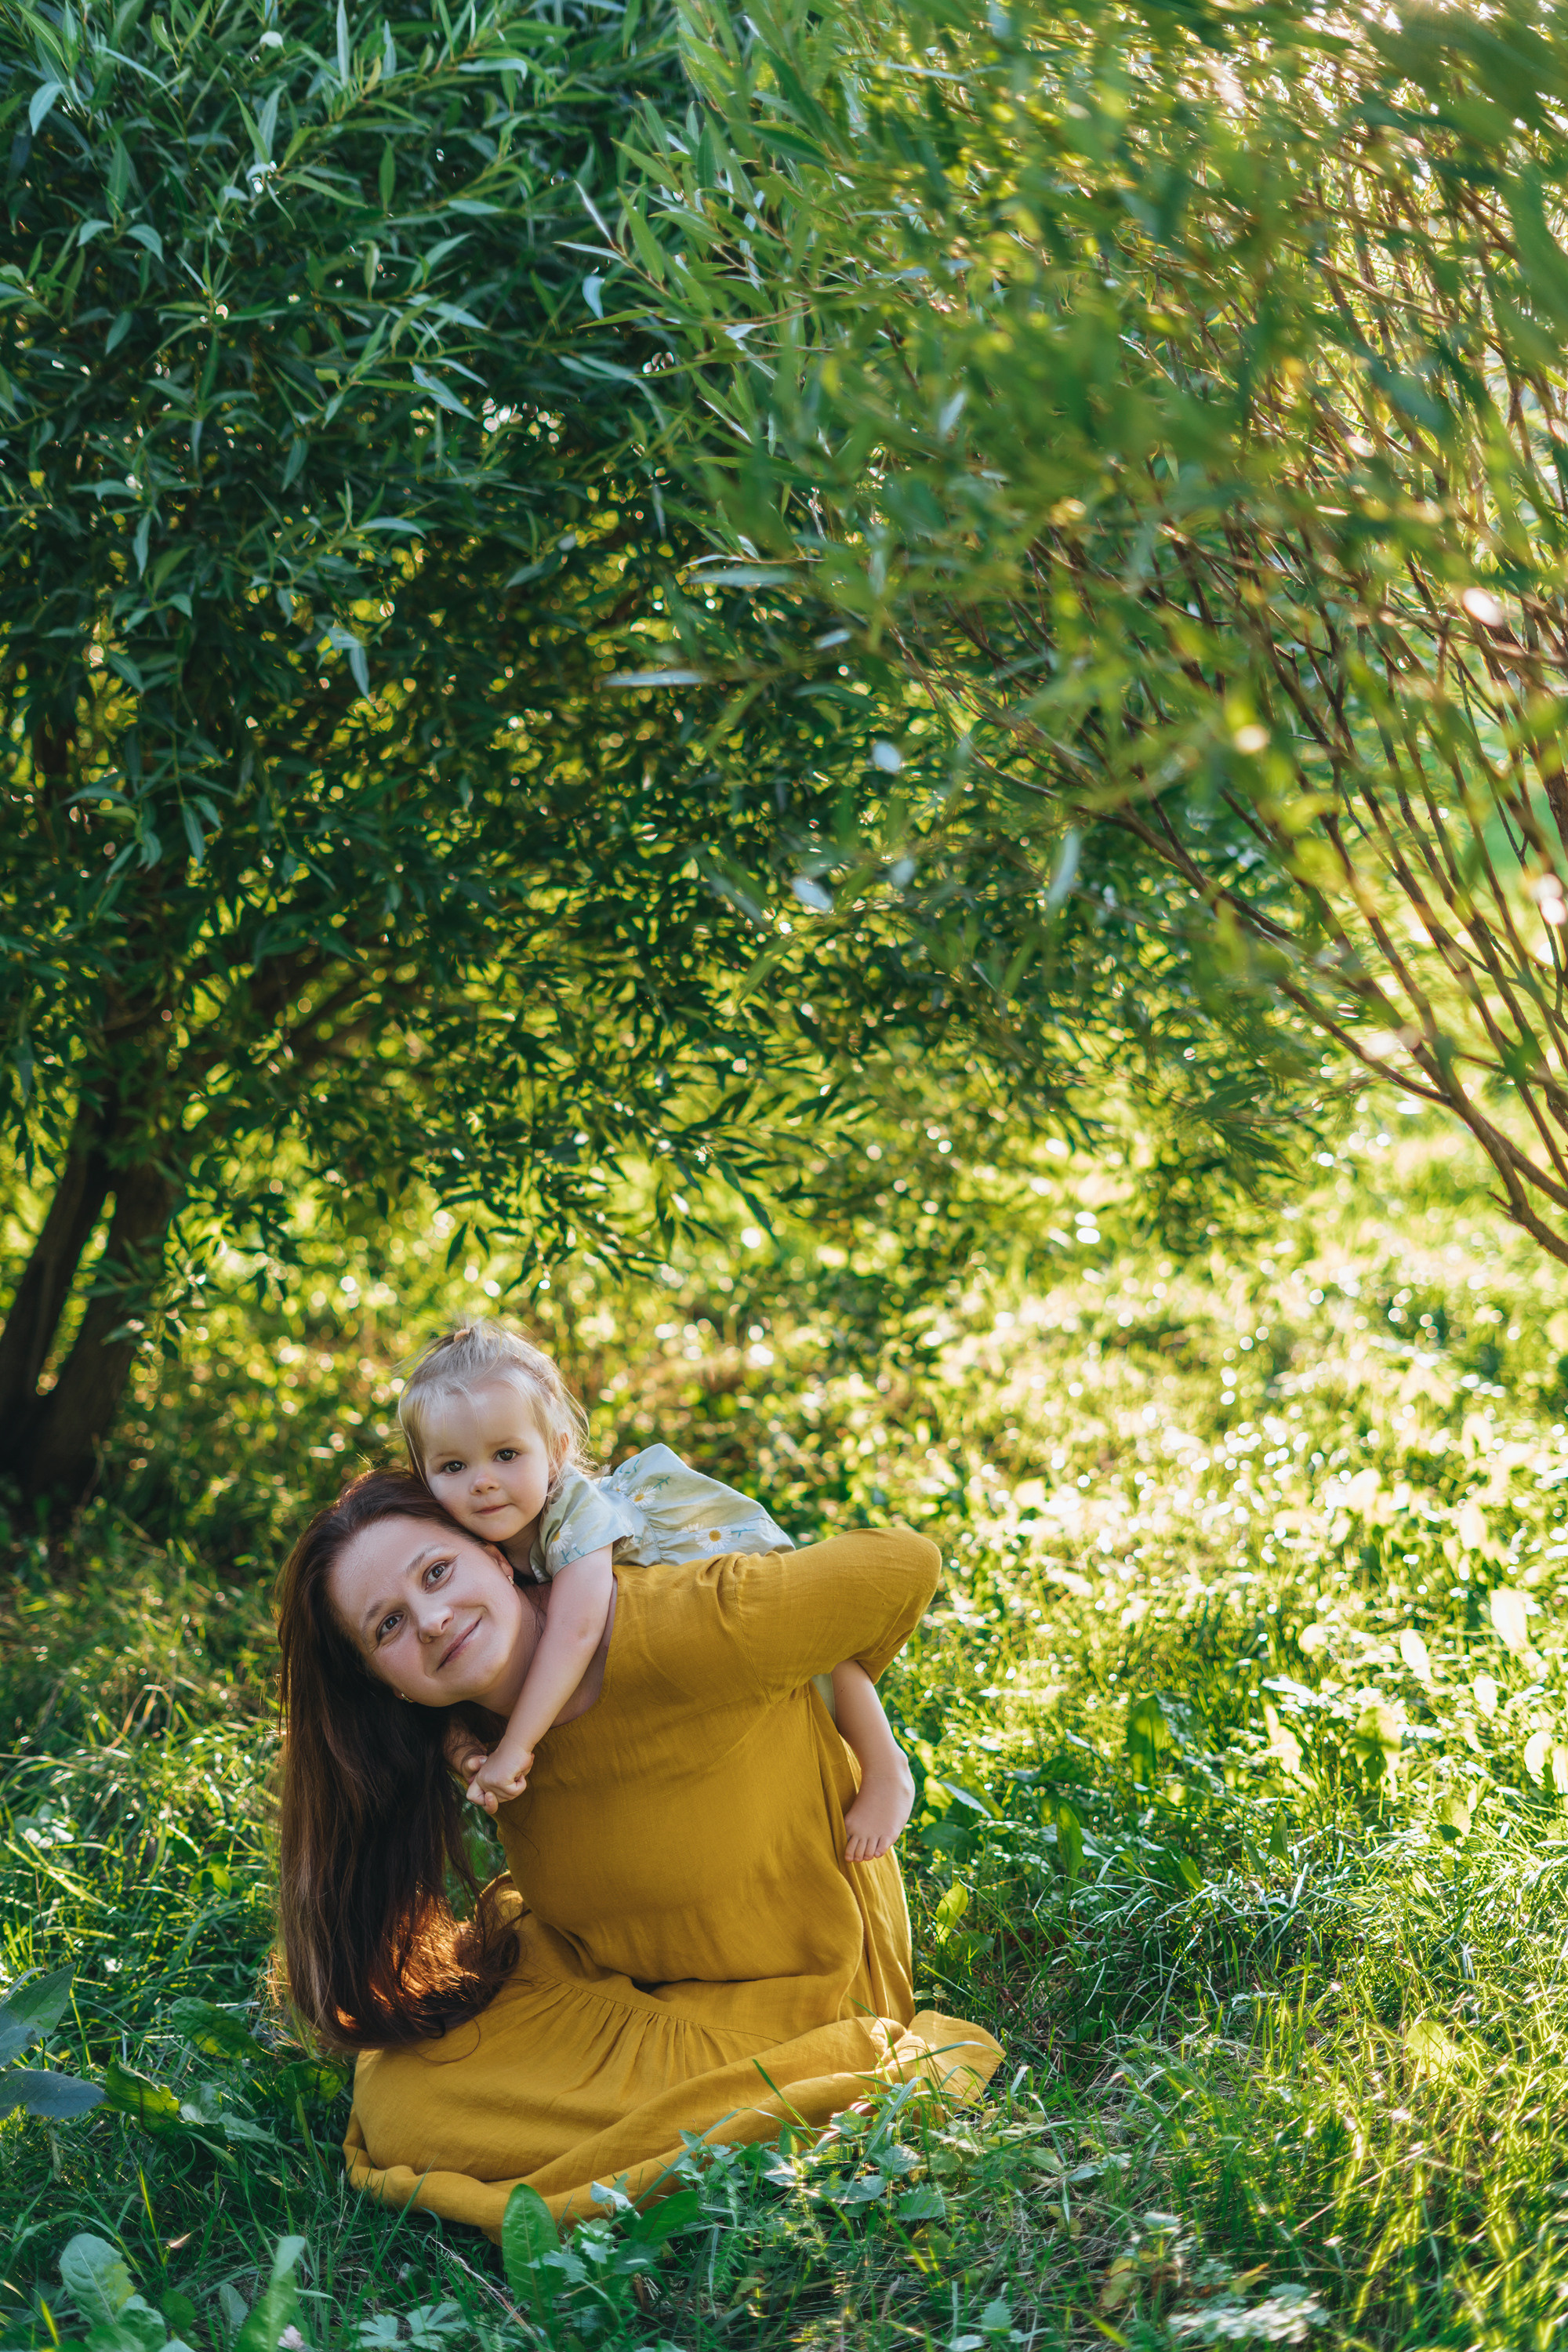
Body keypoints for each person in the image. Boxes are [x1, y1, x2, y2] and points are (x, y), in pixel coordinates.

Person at [274, 1468, 1001, 2234]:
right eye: (386, 1625)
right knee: (403, 2100)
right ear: (381, 1683)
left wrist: (846, 1716)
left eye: (437, 1570)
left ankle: (784, 2083)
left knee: (429, 2115)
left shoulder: (677, 1629)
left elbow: (904, 1565)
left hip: (789, 1993)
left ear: (498, 1555)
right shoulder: (474, 1732)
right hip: (619, 1977)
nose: (427, 1618)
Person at [394, 1321, 915, 1861]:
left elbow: (576, 1629)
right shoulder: (456, 1546)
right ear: (424, 1477)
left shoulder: (575, 1509)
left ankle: (885, 1765)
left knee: (815, 1653)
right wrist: (464, 1750)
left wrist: (517, 1746)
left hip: (703, 1568)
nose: (482, 1481)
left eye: (506, 1455)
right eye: (453, 1466)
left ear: (555, 1452)